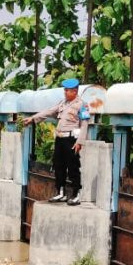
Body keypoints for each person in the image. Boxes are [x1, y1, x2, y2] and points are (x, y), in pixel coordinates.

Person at [22, 78, 89, 206]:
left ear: (75, 91)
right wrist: (32, 118)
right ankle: (61, 192)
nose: (65, 92)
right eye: (64, 90)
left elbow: (85, 124)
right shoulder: (62, 103)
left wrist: (80, 142)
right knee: (58, 165)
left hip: (71, 140)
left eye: (67, 90)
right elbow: (49, 112)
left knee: (73, 167)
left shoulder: (82, 105)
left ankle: (76, 194)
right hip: (59, 139)